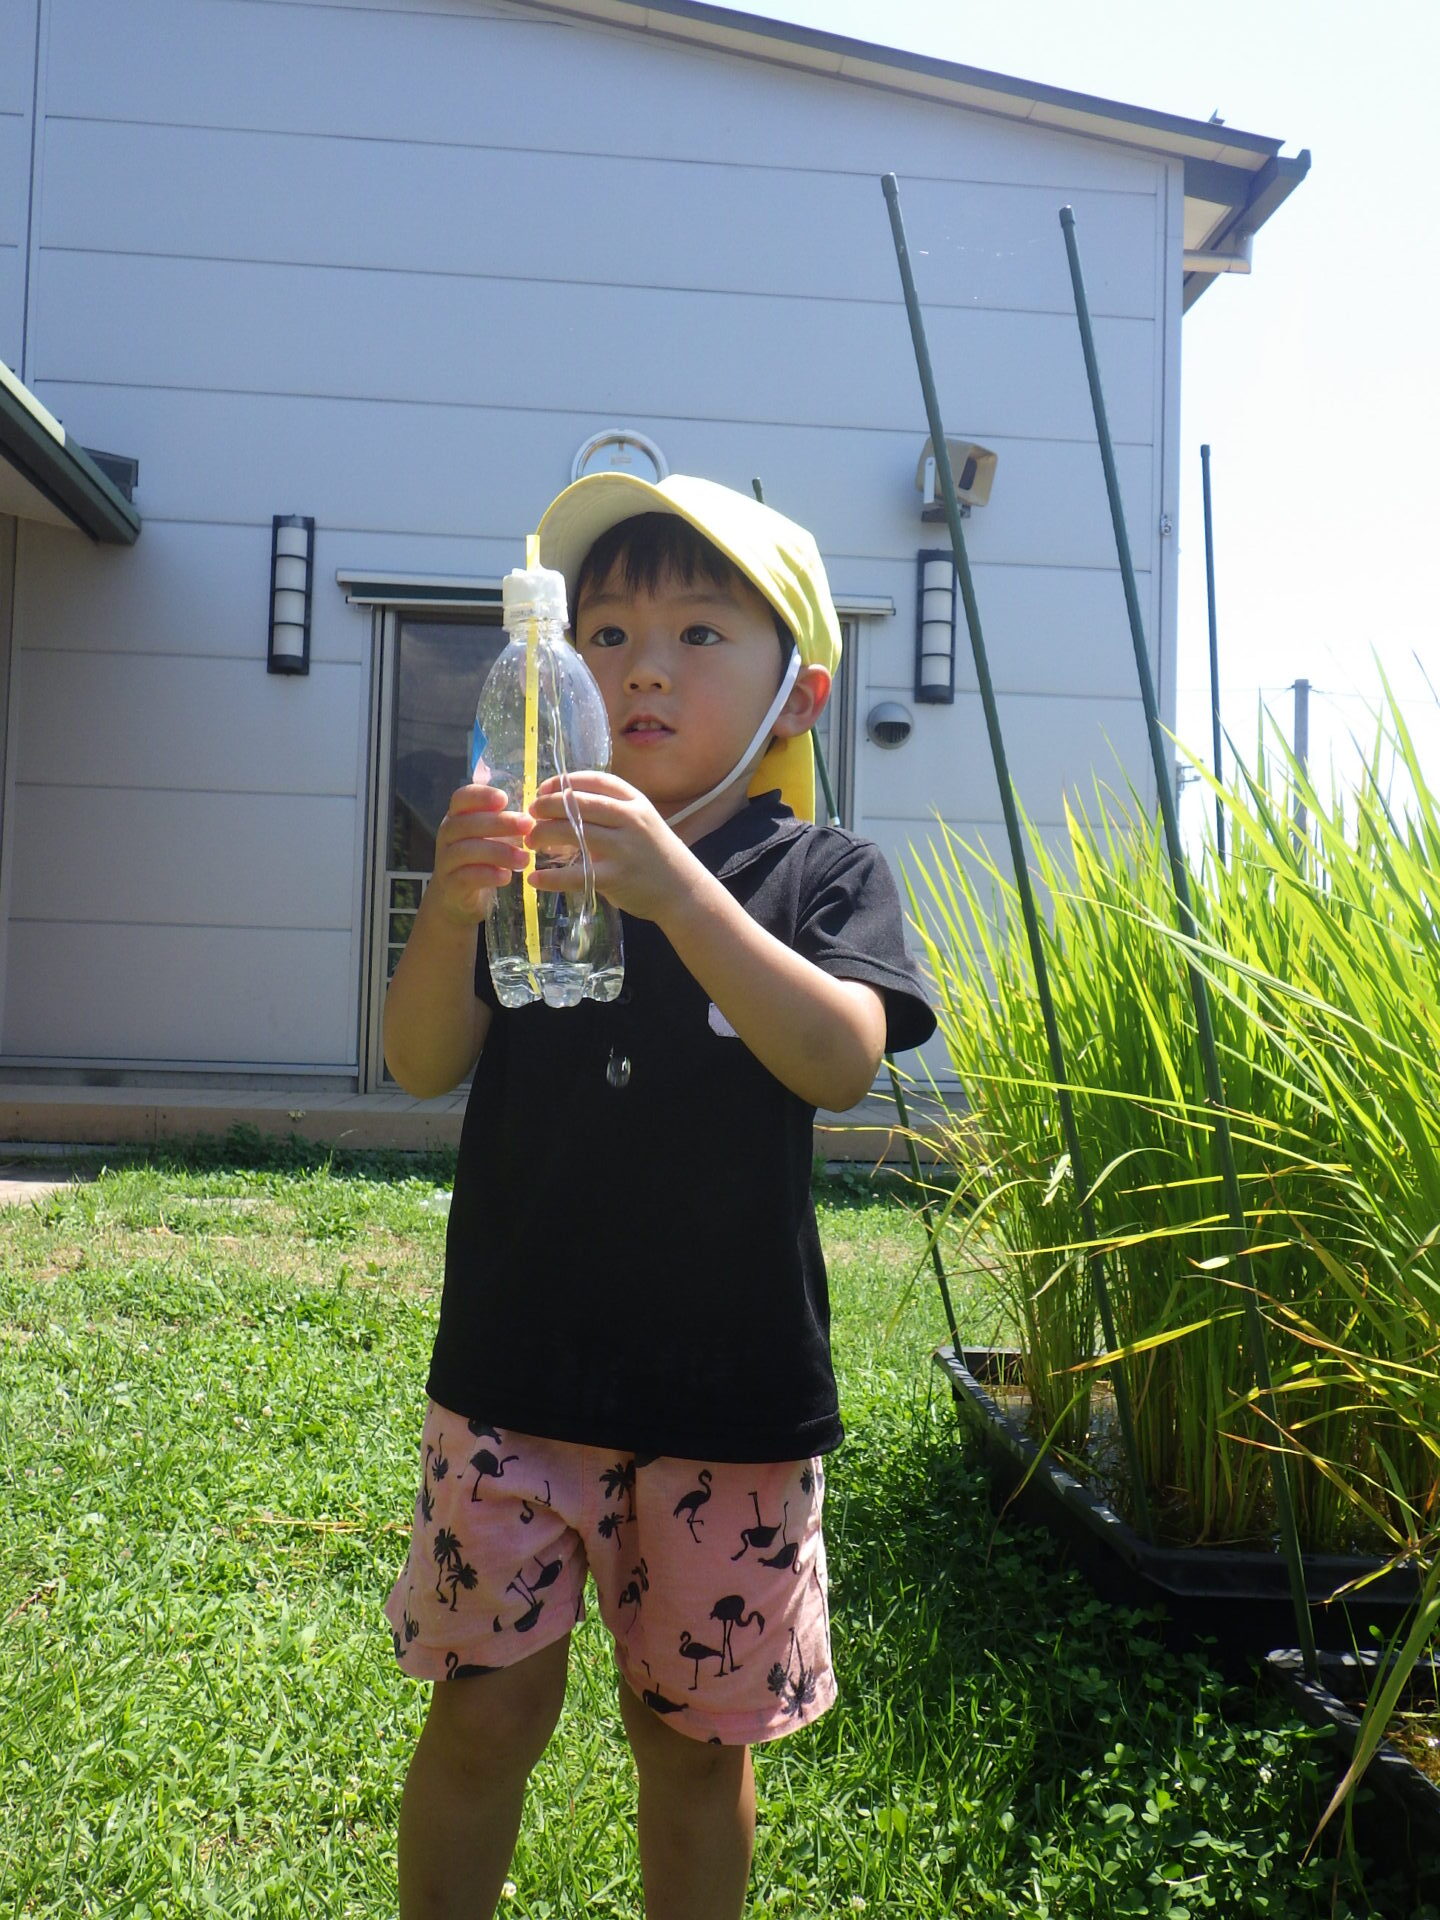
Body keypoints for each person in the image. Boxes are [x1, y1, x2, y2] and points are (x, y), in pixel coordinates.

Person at [382, 473, 935, 1920]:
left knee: (691, 1751)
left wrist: (681, 889)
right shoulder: (532, 858)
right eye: (609, 633)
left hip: (729, 1403)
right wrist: (451, 906)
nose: (641, 668)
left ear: (797, 697)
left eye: (699, 634)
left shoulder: (822, 872)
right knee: (485, 1711)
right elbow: (422, 1061)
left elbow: (839, 1060)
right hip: (514, 1382)